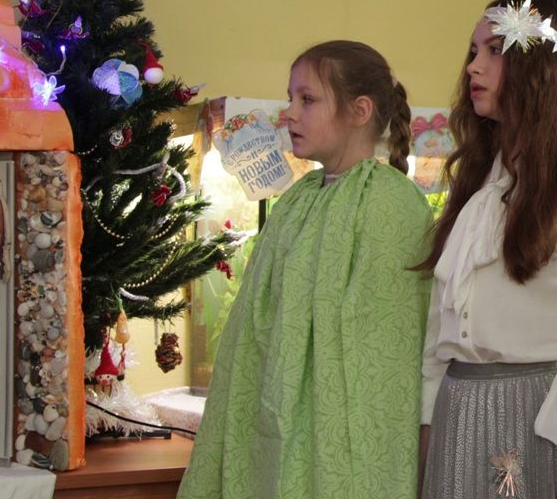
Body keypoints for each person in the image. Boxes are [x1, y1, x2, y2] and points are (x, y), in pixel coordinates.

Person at [178, 41, 432, 499]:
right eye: (290, 98)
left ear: (359, 111)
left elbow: (385, 349)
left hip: (344, 437)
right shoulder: (298, 198)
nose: (289, 113)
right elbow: (251, 324)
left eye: (307, 99)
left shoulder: (393, 204)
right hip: (277, 417)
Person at [418, 0, 557, 499]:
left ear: (541, 67)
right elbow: (440, 320)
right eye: (474, 51)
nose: (473, 67)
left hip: (538, 416)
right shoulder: (481, 178)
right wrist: (429, 423)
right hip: (457, 409)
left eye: (495, 50)